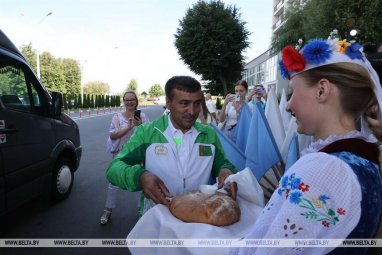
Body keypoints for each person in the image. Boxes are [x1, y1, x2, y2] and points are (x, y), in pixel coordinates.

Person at [230, 33, 382, 254]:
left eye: (292, 91)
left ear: (322, 90)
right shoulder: (364, 156)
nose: (289, 104)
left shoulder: (324, 168)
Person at [106, 76, 237, 217]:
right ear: (168, 103)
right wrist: (140, 177)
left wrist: (225, 171)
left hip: (198, 219)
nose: (192, 111)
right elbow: (114, 168)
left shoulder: (208, 134)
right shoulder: (147, 133)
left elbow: (223, 163)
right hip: (156, 219)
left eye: (197, 104)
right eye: (184, 103)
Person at [100, 91, 149, 225]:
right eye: (126, 100)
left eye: (132, 99)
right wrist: (128, 127)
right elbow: (113, 136)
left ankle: (142, 210)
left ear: (136, 101)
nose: (129, 102)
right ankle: (108, 209)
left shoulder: (143, 116)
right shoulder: (117, 117)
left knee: (138, 182)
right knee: (113, 184)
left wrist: (139, 126)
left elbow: (148, 135)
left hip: (137, 155)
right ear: (123, 101)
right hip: (120, 154)